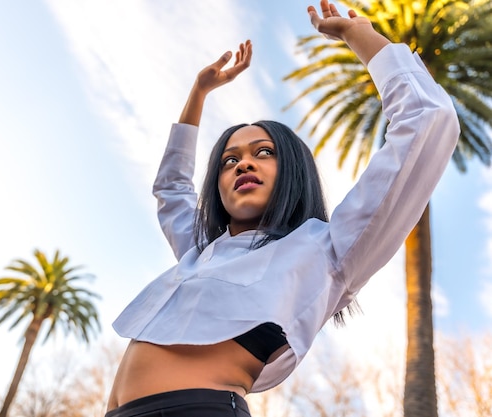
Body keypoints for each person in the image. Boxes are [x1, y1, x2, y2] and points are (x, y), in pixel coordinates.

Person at [105, 1, 460, 416]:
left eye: (263, 152)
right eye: (229, 160)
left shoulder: (325, 250)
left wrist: (355, 34)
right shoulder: (198, 252)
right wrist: (198, 95)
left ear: (292, 169)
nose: (244, 164)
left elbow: (427, 120)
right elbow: (171, 189)